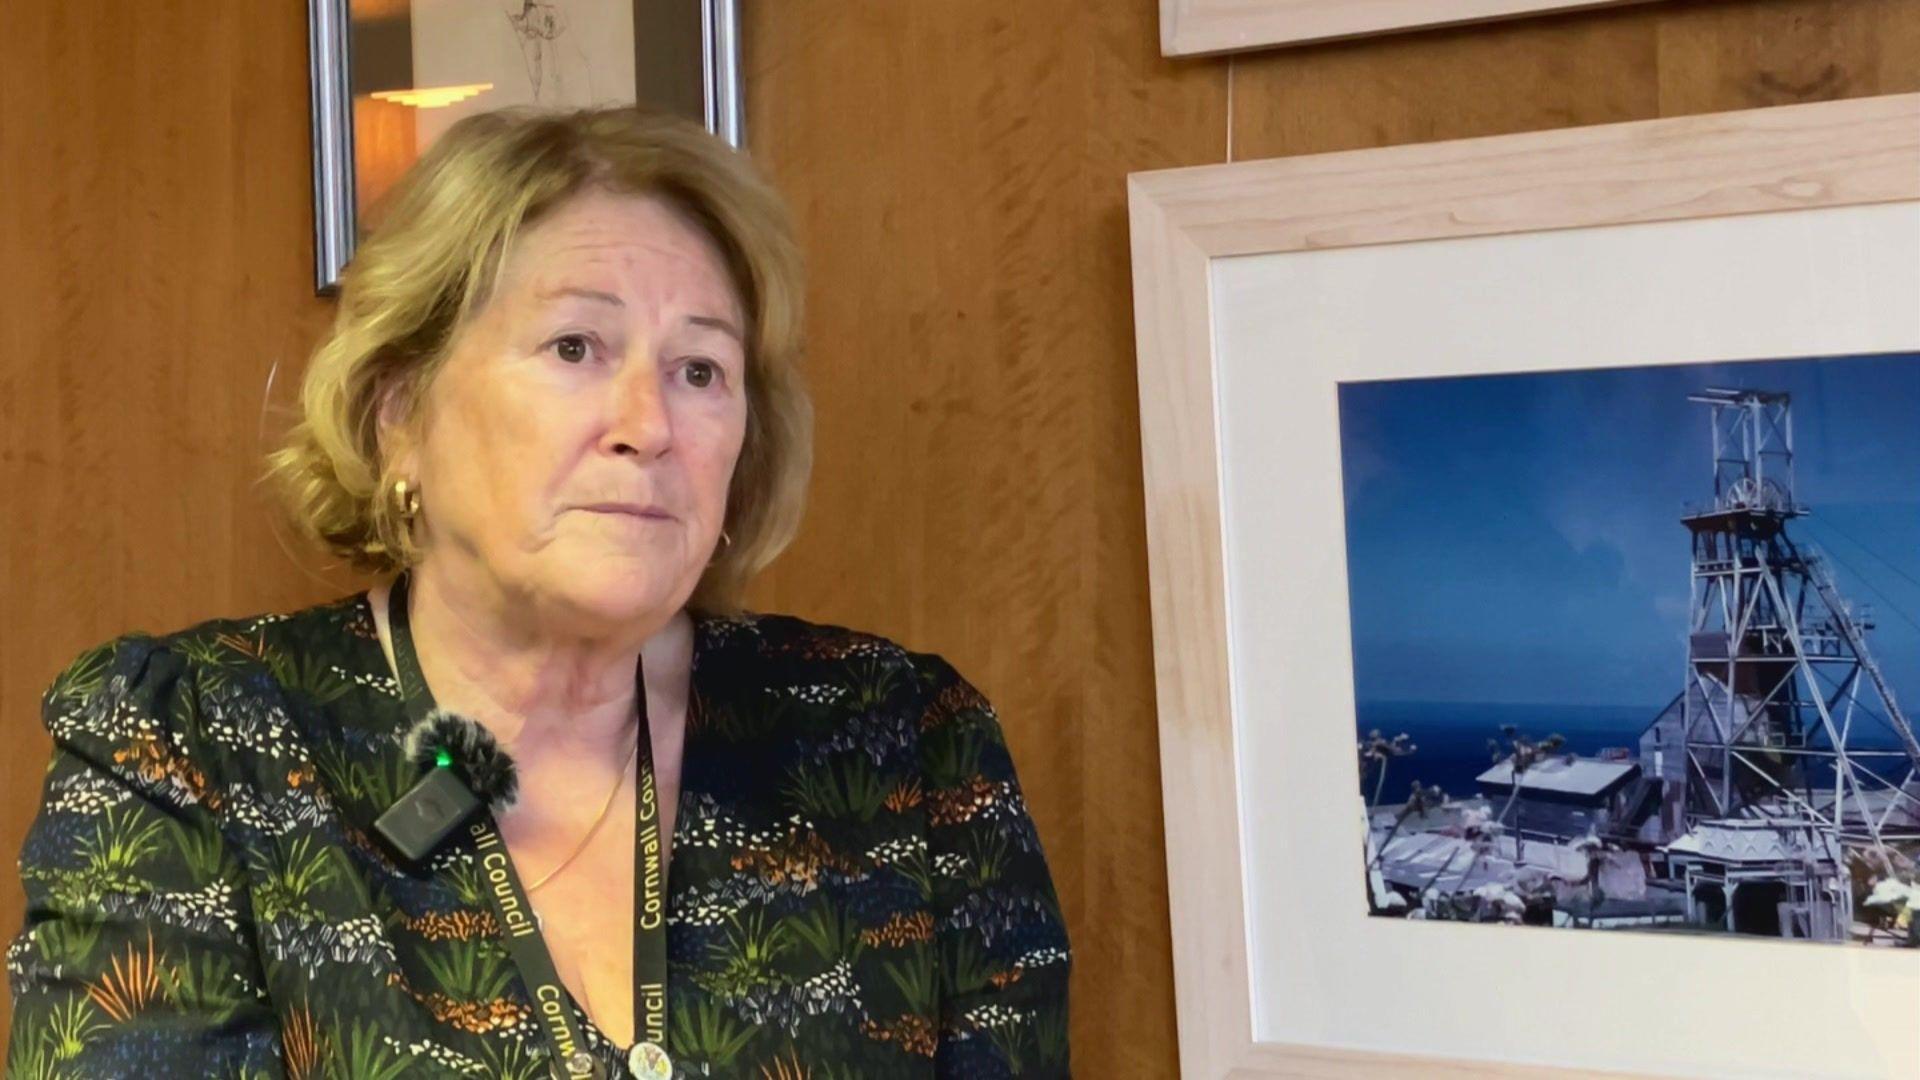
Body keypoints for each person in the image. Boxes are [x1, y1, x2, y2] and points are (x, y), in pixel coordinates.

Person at [5, 105, 1071, 1078]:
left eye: (701, 370)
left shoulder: (905, 751)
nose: (648, 424)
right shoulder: (187, 744)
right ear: (399, 411)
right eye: (575, 347)